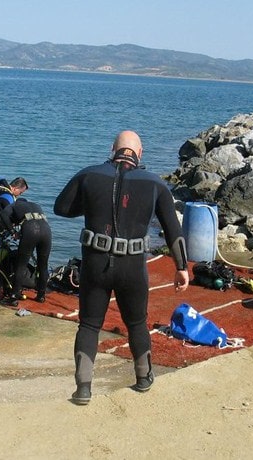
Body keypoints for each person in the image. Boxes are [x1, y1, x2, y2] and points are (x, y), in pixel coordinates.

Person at [54, 130, 189, 406]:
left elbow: (62, 208)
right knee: (136, 322)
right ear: (140, 155)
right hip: (132, 265)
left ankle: (83, 388)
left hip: (95, 262)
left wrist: (92, 203)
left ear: (112, 149)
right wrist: (182, 267)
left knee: (90, 324)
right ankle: (143, 377)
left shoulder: (88, 175)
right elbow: (173, 230)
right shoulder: (155, 184)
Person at [0, 198, 52, 305]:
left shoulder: (14, 205)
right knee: (43, 265)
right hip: (46, 230)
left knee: (21, 264)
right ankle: (41, 296)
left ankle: (14, 296)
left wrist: (13, 232)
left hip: (31, 229)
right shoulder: (36, 205)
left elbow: (3, 215)